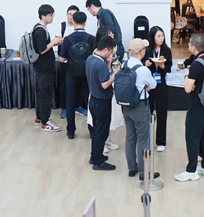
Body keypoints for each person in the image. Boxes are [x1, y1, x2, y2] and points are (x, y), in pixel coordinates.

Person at [174, 33, 204, 181]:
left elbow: (187, 88)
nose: (188, 46)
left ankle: (191, 170)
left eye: (189, 44)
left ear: (193, 46)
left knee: (192, 136)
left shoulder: (196, 65)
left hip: (198, 104)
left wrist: (187, 74)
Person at [121, 38, 158, 180]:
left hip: (126, 107)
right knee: (143, 139)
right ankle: (143, 172)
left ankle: (132, 168)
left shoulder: (124, 64)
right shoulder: (143, 70)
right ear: (141, 51)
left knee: (130, 137)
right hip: (140, 107)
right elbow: (153, 85)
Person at [60, 10, 95, 139]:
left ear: (73, 22)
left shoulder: (67, 39)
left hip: (72, 74)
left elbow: (62, 59)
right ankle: (92, 130)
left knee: (70, 103)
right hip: (87, 75)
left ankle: (70, 131)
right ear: (85, 22)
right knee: (89, 103)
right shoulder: (91, 38)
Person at [87, 34, 119, 170]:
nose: (111, 54)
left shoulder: (91, 58)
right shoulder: (99, 64)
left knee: (97, 131)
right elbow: (105, 84)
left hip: (94, 100)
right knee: (101, 132)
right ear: (106, 49)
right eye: (111, 52)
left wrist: (108, 63)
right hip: (102, 102)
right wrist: (115, 74)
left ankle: (95, 156)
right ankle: (98, 162)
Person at [32, 4, 63, 132]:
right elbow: (42, 50)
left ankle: (39, 117)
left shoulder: (40, 28)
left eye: (52, 15)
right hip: (44, 68)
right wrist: (54, 43)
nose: (52, 17)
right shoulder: (40, 30)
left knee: (42, 93)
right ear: (43, 16)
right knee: (46, 94)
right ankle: (45, 122)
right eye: (50, 15)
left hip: (42, 67)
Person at [144, 26, 172, 152]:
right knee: (147, 113)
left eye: (162, 36)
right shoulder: (147, 50)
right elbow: (141, 65)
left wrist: (162, 66)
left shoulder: (166, 50)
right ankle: (146, 140)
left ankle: (161, 141)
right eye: (158, 36)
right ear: (152, 37)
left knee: (162, 112)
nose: (161, 39)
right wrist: (146, 64)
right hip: (149, 84)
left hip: (161, 83)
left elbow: (169, 68)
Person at [57, 5, 80, 119]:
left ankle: (78, 106)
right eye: (70, 14)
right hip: (64, 61)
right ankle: (64, 107)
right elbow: (57, 41)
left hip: (77, 62)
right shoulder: (62, 26)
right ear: (66, 15)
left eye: (74, 14)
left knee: (79, 85)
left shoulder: (79, 27)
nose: (71, 17)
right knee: (64, 85)